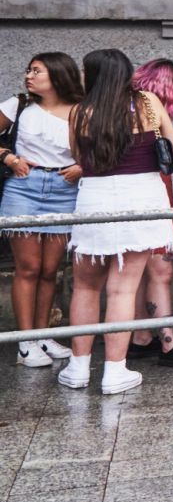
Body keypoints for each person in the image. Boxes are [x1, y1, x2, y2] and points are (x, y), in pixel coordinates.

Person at [59, 49, 173, 395]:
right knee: (123, 288)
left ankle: (78, 367)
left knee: (85, 286)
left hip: (95, 196)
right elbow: (170, 144)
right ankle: (115, 371)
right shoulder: (148, 102)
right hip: (142, 195)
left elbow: (77, 156)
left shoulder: (80, 111)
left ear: (91, 75)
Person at [1, 52, 83, 368]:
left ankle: (43, 335)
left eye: (37, 71)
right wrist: (9, 157)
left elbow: (97, 148)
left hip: (64, 189)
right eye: (28, 69)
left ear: (59, 75)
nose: (29, 75)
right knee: (29, 267)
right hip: (24, 187)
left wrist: (81, 167)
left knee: (51, 269)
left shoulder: (80, 110)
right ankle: (25, 343)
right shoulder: (18, 105)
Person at [126, 59, 173, 369]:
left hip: (142, 199)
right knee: (160, 270)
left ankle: (141, 337)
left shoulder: (127, 111)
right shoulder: (147, 113)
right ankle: (168, 341)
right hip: (152, 198)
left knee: (141, 270)